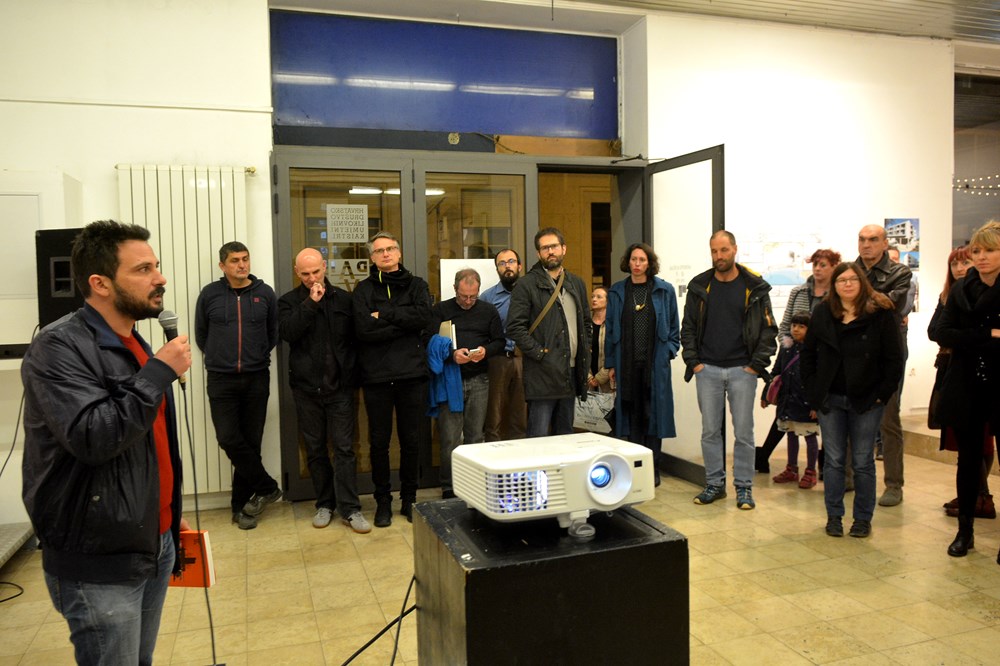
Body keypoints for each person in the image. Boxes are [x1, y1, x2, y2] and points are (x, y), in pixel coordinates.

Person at [21, 220, 190, 665]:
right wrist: (159, 372)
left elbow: (147, 444)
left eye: (157, 266)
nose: (160, 278)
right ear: (100, 283)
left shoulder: (133, 341)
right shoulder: (57, 348)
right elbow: (94, 436)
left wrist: (167, 514)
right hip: (98, 558)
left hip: (151, 539)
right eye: (143, 269)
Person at [801, 262, 903, 539]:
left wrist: (882, 394)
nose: (847, 284)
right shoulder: (823, 312)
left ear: (862, 282)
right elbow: (808, 354)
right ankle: (834, 516)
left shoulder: (880, 313)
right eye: (841, 280)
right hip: (831, 398)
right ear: (834, 286)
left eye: (852, 279)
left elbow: (894, 358)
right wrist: (814, 390)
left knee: (862, 461)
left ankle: (862, 519)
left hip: (867, 399)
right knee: (834, 460)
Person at [681, 230, 777, 510]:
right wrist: (695, 363)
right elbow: (688, 327)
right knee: (710, 432)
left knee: (744, 433)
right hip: (707, 369)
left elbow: (768, 330)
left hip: (742, 371)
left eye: (724, 250)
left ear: (735, 249)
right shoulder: (700, 286)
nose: (719, 256)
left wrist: (755, 366)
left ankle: (744, 487)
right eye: (714, 251)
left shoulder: (754, 287)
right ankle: (714, 484)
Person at [279, 248, 371, 533]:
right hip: (306, 390)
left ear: (325, 267)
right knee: (316, 450)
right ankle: (325, 504)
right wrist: (310, 303)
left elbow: (356, 339)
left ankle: (350, 508)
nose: (312, 278)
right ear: (297, 272)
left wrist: (353, 374)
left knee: (344, 449)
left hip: (340, 389)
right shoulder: (288, 302)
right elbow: (288, 333)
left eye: (316, 271)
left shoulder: (343, 299)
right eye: (305, 274)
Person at [195, 241, 281, 530]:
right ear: (223, 265)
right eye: (235, 260)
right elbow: (201, 335)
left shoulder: (265, 293)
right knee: (229, 438)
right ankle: (268, 487)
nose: (242, 265)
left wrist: (255, 356)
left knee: (251, 443)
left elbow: (272, 333)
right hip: (221, 379)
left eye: (245, 259)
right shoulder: (210, 294)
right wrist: (221, 357)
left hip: (256, 377)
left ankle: (240, 508)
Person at [928, 221, 1000, 561]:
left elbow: (954, 334)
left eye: (990, 250)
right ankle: (965, 532)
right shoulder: (962, 289)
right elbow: (941, 332)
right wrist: (989, 336)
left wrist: (965, 337)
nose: (981, 257)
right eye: (977, 251)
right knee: (968, 462)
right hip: (966, 383)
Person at [353, 231, 433, 526]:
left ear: (399, 253)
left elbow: (423, 319)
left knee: (411, 441)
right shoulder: (363, 290)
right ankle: (383, 501)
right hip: (376, 377)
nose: (385, 254)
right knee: (379, 443)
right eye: (379, 251)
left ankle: (409, 499)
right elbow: (363, 330)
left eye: (390, 249)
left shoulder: (417, 285)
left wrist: (383, 314)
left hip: (412, 375)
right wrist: (403, 321)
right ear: (372, 258)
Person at [756, 248, 840, 473]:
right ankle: (774, 460)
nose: (818, 269)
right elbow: (786, 324)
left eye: (823, 265)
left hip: (823, 360)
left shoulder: (837, 295)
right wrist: (787, 346)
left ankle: (823, 465)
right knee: (786, 413)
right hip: (796, 357)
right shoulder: (799, 291)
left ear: (834, 267)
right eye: (815, 265)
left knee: (821, 416)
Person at [604, 244, 680, 487]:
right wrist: (610, 363)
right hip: (626, 365)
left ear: (649, 263)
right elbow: (611, 329)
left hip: (654, 366)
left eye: (642, 260)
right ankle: (636, 468)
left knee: (653, 417)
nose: (637, 264)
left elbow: (674, 329)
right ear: (628, 262)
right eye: (634, 259)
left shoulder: (664, 290)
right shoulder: (617, 291)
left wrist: (669, 352)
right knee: (631, 417)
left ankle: (653, 468)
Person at [506, 227, 591, 437]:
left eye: (554, 246)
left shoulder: (576, 283)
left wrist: (585, 350)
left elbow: (586, 323)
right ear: (538, 254)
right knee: (539, 436)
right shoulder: (526, 284)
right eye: (545, 248)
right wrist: (539, 353)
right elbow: (515, 327)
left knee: (565, 434)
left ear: (564, 249)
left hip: (571, 371)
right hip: (541, 373)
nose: (550, 251)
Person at [429, 268, 505, 498]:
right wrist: (452, 354)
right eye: (464, 296)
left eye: (473, 296)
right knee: (450, 437)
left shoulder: (488, 310)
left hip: (479, 378)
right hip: (450, 379)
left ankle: (474, 484)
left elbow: (499, 341)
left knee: (475, 436)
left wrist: (485, 351)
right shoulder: (441, 310)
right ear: (455, 290)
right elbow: (428, 341)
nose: (468, 301)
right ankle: (449, 486)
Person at [856, 224, 912, 507]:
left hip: (888, 356)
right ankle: (849, 477)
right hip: (854, 354)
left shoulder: (899, 272)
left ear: (884, 243)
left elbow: (892, 305)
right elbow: (838, 306)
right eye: (862, 239)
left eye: (873, 239)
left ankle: (894, 484)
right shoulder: (849, 270)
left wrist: (858, 298)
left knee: (889, 421)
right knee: (849, 416)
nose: (866, 244)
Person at [762, 312, 820, 489]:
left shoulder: (815, 350)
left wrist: (816, 404)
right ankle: (791, 469)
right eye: (794, 325)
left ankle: (811, 471)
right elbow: (776, 371)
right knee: (791, 433)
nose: (796, 329)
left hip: (806, 403)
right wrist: (766, 394)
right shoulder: (786, 347)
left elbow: (819, 379)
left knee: (809, 436)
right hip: (787, 401)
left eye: (801, 326)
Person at [481, 249, 528, 441]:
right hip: (498, 360)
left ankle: (519, 453)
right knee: (494, 413)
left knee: (521, 413)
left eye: (511, 261)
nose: (507, 266)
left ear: (519, 266)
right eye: (502, 263)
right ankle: (493, 453)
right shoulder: (487, 297)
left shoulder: (531, 293)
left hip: (525, 359)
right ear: (497, 269)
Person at [588, 285, 614, 394]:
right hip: (587, 380)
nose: (594, 299)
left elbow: (615, 352)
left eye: (599, 297)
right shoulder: (585, 323)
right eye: (592, 296)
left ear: (608, 301)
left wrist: (600, 377)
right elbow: (579, 351)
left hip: (608, 378)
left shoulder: (613, 323)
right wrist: (589, 377)